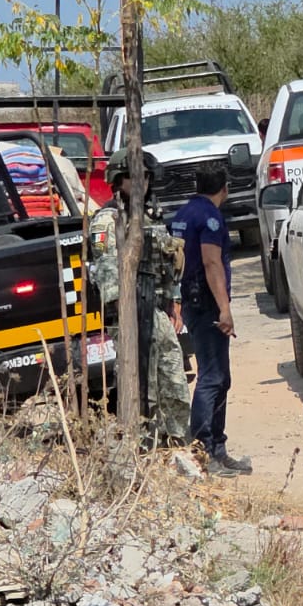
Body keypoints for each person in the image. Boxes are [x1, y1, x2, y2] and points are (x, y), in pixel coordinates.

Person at [91, 150, 190, 447]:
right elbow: (109, 274)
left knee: (173, 381)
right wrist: (127, 316)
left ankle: (175, 442)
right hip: (131, 315)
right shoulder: (109, 220)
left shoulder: (150, 216)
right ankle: (143, 446)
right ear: (118, 179)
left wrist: (173, 301)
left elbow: (169, 262)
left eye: (145, 177)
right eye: (133, 177)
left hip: (157, 310)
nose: (141, 183)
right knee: (141, 386)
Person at [170, 163, 252, 477]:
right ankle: (204, 452)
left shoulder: (182, 214)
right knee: (212, 377)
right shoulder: (210, 218)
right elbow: (211, 262)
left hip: (193, 302)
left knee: (220, 377)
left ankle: (218, 449)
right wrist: (224, 309)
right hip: (206, 304)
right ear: (224, 188)